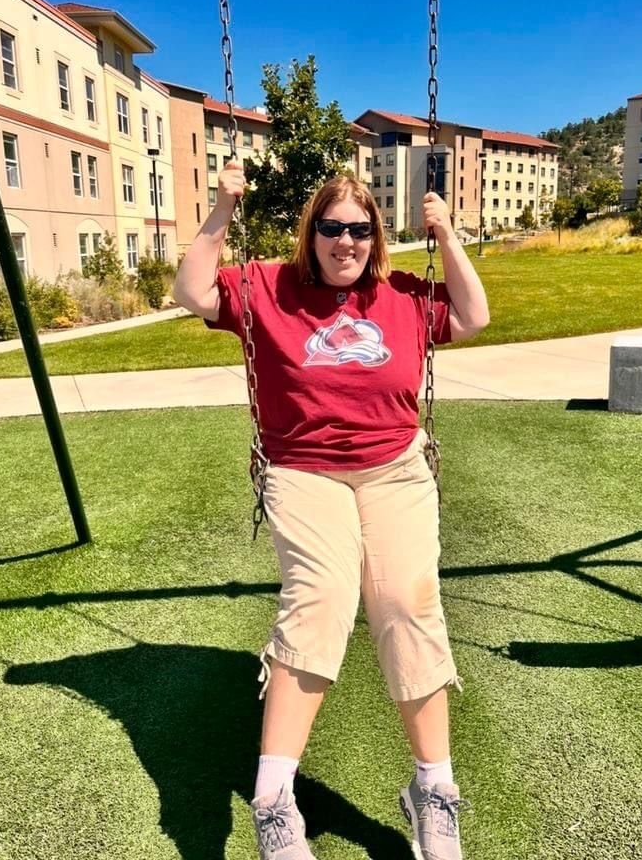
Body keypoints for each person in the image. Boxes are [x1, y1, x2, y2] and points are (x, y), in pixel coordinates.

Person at [173, 160, 490, 860]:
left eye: (359, 229)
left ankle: (432, 790)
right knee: (320, 597)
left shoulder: (402, 294)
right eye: (331, 228)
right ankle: (272, 800)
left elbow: (472, 317)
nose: (345, 242)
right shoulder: (267, 288)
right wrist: (222, 209)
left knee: (408, 606)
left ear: (376, 237)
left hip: (395, 469)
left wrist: (448, 235)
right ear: (310, 233)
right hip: (301, 469)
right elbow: (189, 288)